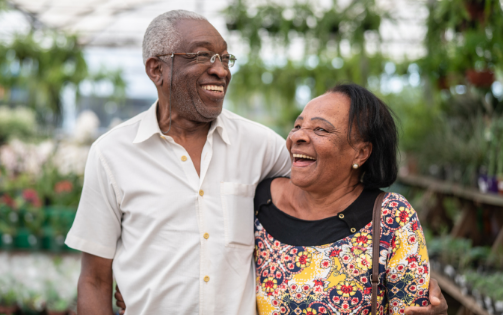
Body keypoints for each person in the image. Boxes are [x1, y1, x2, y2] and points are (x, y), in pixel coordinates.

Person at [68, 9, 448, 315]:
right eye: (203, 56)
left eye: (225, 57)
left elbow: (328, 184)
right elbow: (95, 281)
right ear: (156, 69)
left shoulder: (261, 145)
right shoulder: (112, 154)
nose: (221, 69)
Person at [253, 84, 430, 314]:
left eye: (320, 130)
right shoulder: (259, 203)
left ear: (361, 153)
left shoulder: (392, 216)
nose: (297, 136)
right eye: (297, 126)